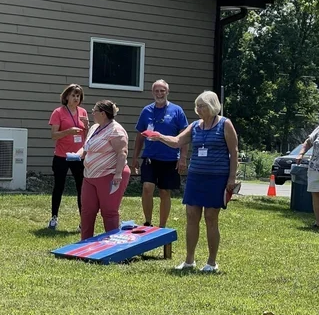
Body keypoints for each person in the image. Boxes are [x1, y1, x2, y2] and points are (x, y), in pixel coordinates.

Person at [149, 90, 238, 272]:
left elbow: (234, 152)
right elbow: (177, 141)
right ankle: (189, 260)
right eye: (197, 105)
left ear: (212, 106)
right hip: (195, 177)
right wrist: (160, 137)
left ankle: (211, 263)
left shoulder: (225, 124)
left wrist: (231, 178)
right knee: (191, 216)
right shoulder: (196, 125)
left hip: (216, 178)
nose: (198, 109)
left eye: (202, 105)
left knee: (211, 218)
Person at [131, 80, 188, 227]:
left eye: (162, 91)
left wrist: (182, 158)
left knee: (164, 192)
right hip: (150, 157)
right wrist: (135, 157)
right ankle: (148, 222)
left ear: (167, 92)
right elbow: (139, 136)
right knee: (147, 187)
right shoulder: (146, 111)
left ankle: (162, 226)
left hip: (169, 159)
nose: (159, 94)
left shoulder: (177, 111)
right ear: (152, 93)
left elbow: (184, 137)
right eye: (156, 91)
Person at [77, 100, 130, 240]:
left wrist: (118, 174)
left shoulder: (116, 130)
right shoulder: (95, 127)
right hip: (90, 176)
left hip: (110, 175)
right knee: (87, 210)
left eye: (94, 110)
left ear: (103, 114)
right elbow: (86, 147)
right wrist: (77, 154)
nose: (92, 113)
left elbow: (122, 153)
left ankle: (113, 245)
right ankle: (85, 242)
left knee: (109, 211)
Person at [48, 84, 89, 230]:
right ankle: (54, 218)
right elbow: (54, 135)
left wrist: (87, 125)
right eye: (73, 95)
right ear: (66, 97)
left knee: (81, 188)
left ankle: (83, 221)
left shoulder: (83, 112)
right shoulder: (58, 112)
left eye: (78, 95)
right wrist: (68, 132)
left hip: (78, 156)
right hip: (61, 156)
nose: (76, 98)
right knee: (59, 186)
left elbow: (87, 135)